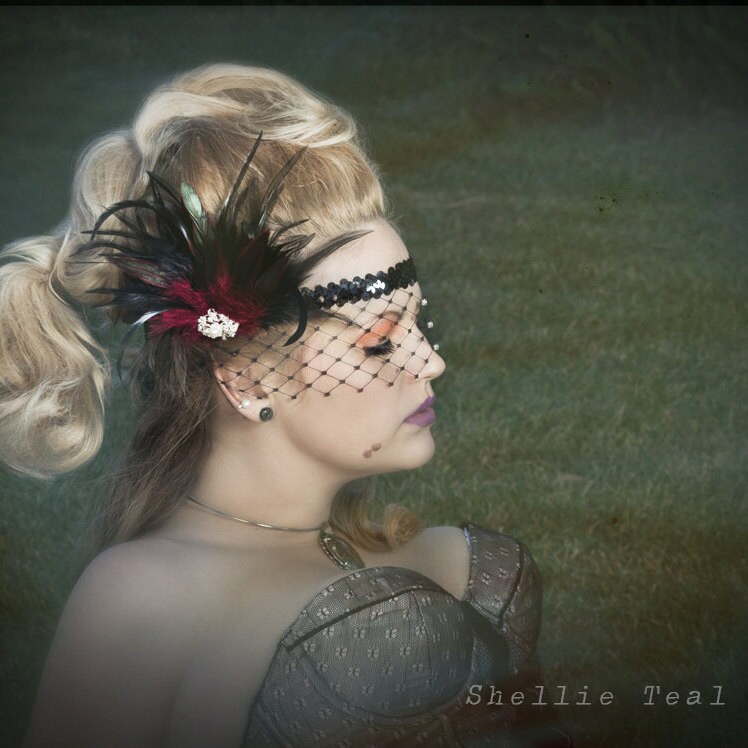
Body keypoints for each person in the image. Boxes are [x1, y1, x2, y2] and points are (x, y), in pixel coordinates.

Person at [2, 64, 571, 747]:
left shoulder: (451, 559)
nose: (430, 361)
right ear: (246, 380)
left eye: (418, 322)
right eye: (379, 340)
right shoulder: (140, 597)